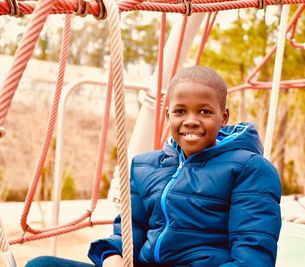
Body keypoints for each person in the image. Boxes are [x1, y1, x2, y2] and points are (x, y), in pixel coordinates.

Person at [26, 66, 282, 267]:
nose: (191, 121)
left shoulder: (249, 169)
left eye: (204, 112)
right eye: (180, 111)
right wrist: (113, 256)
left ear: (223, 117)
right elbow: (129, 232)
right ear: (168, 113)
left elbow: (252, 259)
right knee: (41, 264)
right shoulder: (144, 166)